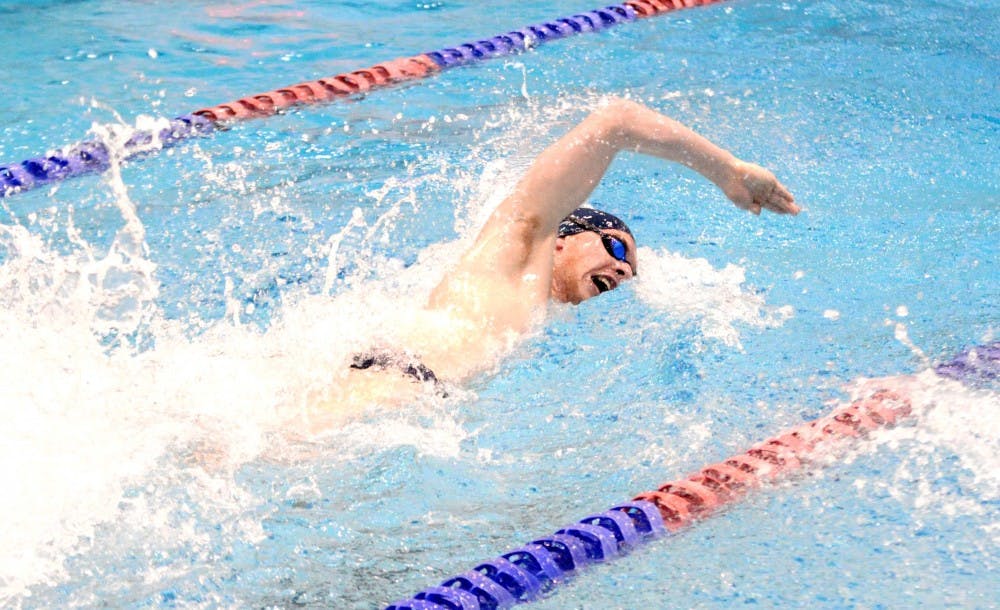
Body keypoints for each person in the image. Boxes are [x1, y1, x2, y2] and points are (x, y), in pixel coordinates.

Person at [312, 98, 799, 424]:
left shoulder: (533, 324)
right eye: (613, 246)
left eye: (629, 268)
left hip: (400, 409)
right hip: (379, 394)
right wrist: (727, 171)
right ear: (562, 239)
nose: (624, 269)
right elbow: (617, 121)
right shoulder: (519, 250)